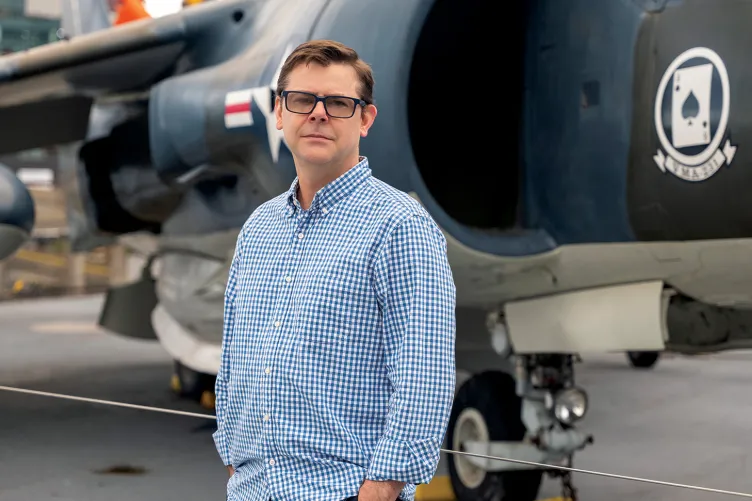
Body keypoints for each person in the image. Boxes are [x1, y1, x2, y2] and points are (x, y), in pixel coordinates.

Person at [212, 39, 456, 501]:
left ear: (365, 120)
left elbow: (424, 375)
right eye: (302, 99)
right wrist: (233, 455)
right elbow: (235, 357)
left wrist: (382, 487)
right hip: (252, 489)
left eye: (340, 103)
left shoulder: (399, 226)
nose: (319, 114)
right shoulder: (259, 228)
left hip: (341, 492)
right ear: (279, 113)